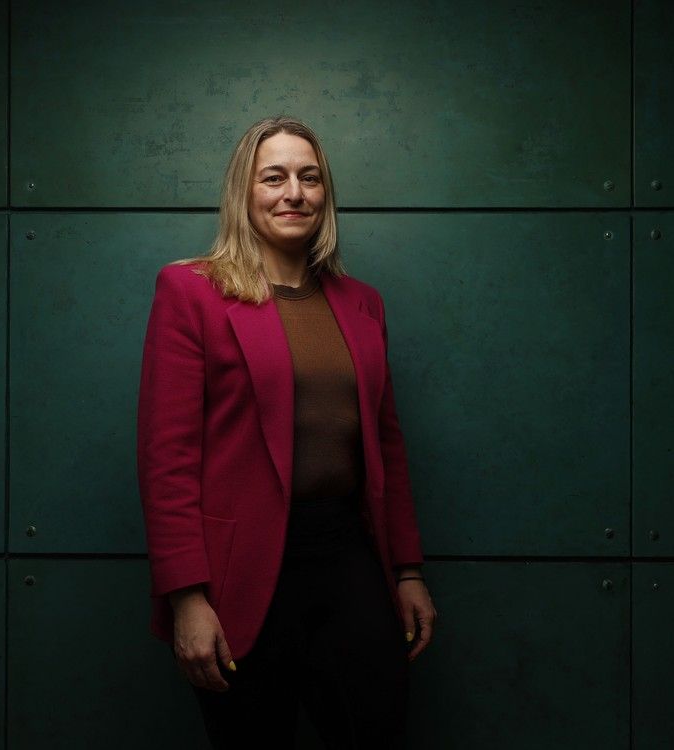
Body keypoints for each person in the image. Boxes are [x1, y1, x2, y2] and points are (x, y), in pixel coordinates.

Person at [136, 115, 437, 749]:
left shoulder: (363, 304)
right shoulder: (189, 291)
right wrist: (187, 598)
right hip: (238, 571)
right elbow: (166, 459)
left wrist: (407, 571)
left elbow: (386, 445)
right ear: (244, 194)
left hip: (349, 555)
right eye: (273, 177)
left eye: (309, 177)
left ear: (326, 194)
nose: (293, 193)